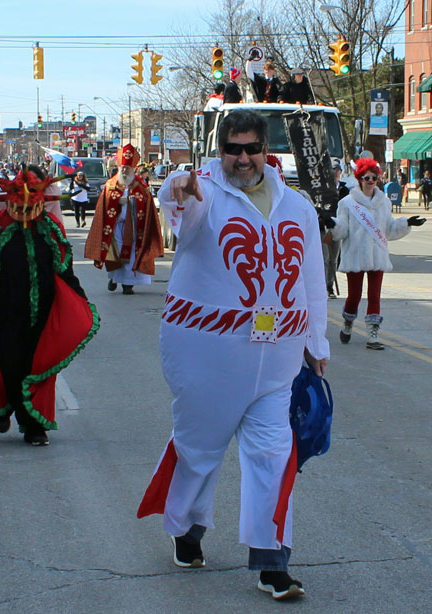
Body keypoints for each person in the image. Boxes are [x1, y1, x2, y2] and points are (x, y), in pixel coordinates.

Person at [137, 110, 329, 600]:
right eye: (232, 149)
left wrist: (316, 343)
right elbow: (181, 205)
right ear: (219, 149)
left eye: (250, 149)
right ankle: (187, 530)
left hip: (278, 357)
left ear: (267, 149)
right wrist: (177, 189)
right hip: (209, 354)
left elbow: (310, 280)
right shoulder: (204, 192)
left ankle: (271, 562)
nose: (241, 159)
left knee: (273, 453)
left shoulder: (297, 207)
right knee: (200, 450)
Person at [0, 167, 100, 445]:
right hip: (6, 309)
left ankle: (33, 424)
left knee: (38, 363)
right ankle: (9, 405)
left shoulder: (50, 227)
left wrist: (79, 297)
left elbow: (64, 268)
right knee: (10, 363)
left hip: (43, 307)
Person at [324, 158, 426, 350]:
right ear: (360, 178)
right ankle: (348, 321)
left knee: (375, 295)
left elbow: (388, 229)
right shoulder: (347, 203)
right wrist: (333, 225)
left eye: (374, 177)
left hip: (377, 254)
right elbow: (343, 230)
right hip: (355, 254)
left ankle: (373, 332)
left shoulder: (384, 202)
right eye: (367, 177)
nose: (371, 180)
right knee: (354, 295)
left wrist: (407, 223)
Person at [84, 144, 164, 295]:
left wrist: (133, 201)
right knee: (117, 253)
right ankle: (114, 278)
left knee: (133, 253)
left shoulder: (141, 185)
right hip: (115, 227)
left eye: (127, 168)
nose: (125, 170)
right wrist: (117, 201)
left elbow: (147, 205)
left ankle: (128, 285)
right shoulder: (110, 184)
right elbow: (104, 205)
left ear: (133, 169)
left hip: (135, 227)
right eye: (123, 168)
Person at [319, 163, 349, 298]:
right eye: (333, 170)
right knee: (324, 258)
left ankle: (329, 285)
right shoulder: (321, 189)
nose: (336, 173)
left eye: (338, 170)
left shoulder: (344, 190)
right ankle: (322, 285)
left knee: (334, 259)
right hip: (323, 227)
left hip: (338, 227)